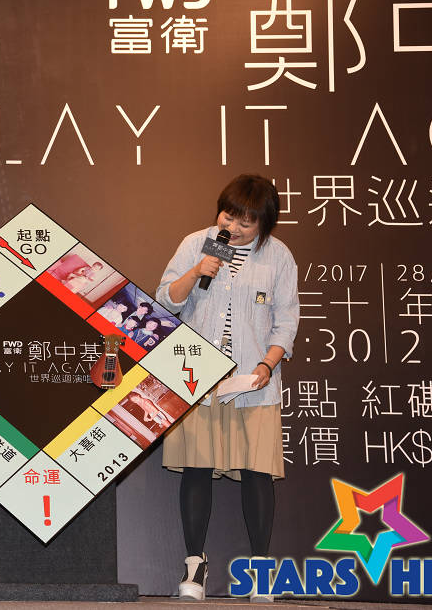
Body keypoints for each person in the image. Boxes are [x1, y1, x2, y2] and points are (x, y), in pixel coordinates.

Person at [155, 174, 299, 602]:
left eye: (245, 222)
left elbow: (286, 321)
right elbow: (165, 301)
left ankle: (260, 569)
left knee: (257, 473)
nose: (233, 228)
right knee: (197, 467)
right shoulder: (197, 243)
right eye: (228, 216)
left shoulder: (278, 256)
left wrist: (267, 364)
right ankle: (194, 566)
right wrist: (197, 270)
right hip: (198, 377)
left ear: (264, 225)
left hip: (253, 381)